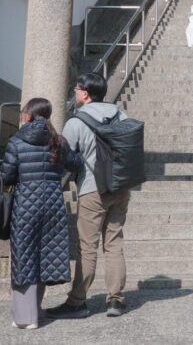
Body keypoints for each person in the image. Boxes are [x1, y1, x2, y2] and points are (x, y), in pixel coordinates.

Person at [47, 74, 133, 320]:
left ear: (85, 93)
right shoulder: (121, 116)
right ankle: (115, 300)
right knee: (114, 244)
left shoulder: (76, 122)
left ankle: (77, 302)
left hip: (91, 189)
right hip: (120, 187)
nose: (75, 93)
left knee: (87, 247)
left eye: (76, 89)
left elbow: (65, 157)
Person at [0, 98, 81, 330]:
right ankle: (36, 310)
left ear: (28, 115)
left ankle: (26, 317)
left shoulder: (17, 140)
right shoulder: (58, 140)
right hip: (54, 205)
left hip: (26, 204)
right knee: (45, 256)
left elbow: (7, 176)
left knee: (24, 255)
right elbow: (75, 163)